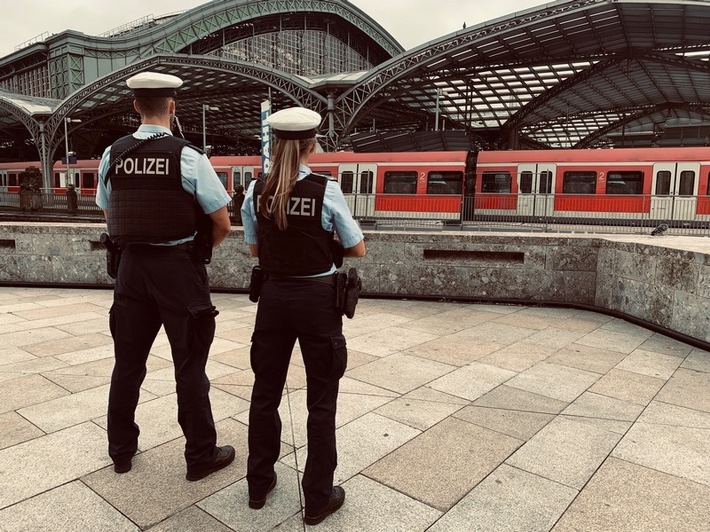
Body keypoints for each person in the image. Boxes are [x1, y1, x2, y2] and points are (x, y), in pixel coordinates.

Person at [95, 71, 235, 481]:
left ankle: (121, 451)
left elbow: (109, 212)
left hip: (130, 271)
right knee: (189, 365)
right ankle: (200, 456)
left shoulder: (112, 155)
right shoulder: (189, 156)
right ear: (172, 107)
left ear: (135, 106)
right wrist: (195, 250)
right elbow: (222, 223)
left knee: (127, 365)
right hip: (177, 270)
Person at [241, 107, 366, 525]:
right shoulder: (325, 189)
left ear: (275, 145)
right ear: (312, 145)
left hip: (274, 297)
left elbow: (256, 250)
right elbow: (357, 248)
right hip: (317, 301)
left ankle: (258, 485)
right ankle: (317, 498)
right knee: (321, 402)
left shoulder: (255, 190)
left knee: (264, 395)